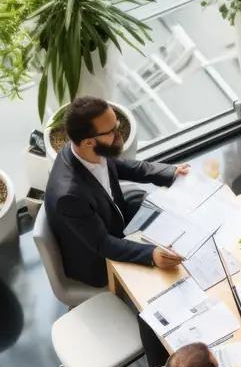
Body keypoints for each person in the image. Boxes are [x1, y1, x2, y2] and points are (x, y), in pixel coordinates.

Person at [45, 96, 187, 290]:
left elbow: (122, 165)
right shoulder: (69, 196)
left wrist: (170, 173)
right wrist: (151, 255)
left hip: (113, 218)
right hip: (98, 259)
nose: (119, 133)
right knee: (168, 274)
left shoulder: (84, 150)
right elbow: (103, 243)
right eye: (112, 130)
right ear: (87, 142)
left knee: (166, 212)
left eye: (117, 124)